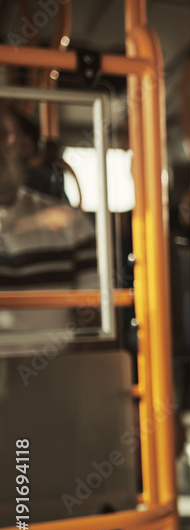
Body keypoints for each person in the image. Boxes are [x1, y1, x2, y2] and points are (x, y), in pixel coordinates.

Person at [0, 101, 98, 350]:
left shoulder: (71, 225)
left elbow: (93, 319)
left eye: (2, 134)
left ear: (24, 145)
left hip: (56, 377)